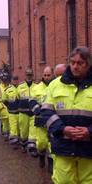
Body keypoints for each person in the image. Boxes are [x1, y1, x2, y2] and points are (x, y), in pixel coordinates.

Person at [41, 46, 92, 183]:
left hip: (89, 150)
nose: (75, 66)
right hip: (63, 147)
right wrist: (62, 129)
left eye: (80, 63)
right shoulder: (55, 85)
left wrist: (89, 131)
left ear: (88, 64)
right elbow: (46, 112)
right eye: (73, 62)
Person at [29, 66, 54, 170]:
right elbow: (32, 101)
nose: (47, 77)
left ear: (52, 75)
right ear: (42, 75)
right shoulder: (37, 87)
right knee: (41, 142)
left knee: (51, 143)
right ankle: (41, 156)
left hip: (53, 120)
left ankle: (51, 163)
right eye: (45, 75)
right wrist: (37, 111)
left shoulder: (56, 86)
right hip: (40, 119)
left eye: (48, 75)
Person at [17, 67, 37, 155]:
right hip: (23, 112)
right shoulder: (20, 86)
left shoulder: (36, 86)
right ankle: (23, 145)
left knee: (33, 131)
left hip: (33, 113)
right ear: (25, 75)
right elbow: (17, 98)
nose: (29, 76)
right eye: (28, 75)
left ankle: (32, 148)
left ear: (32, 76)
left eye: (30, 75)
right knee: (24, 132)